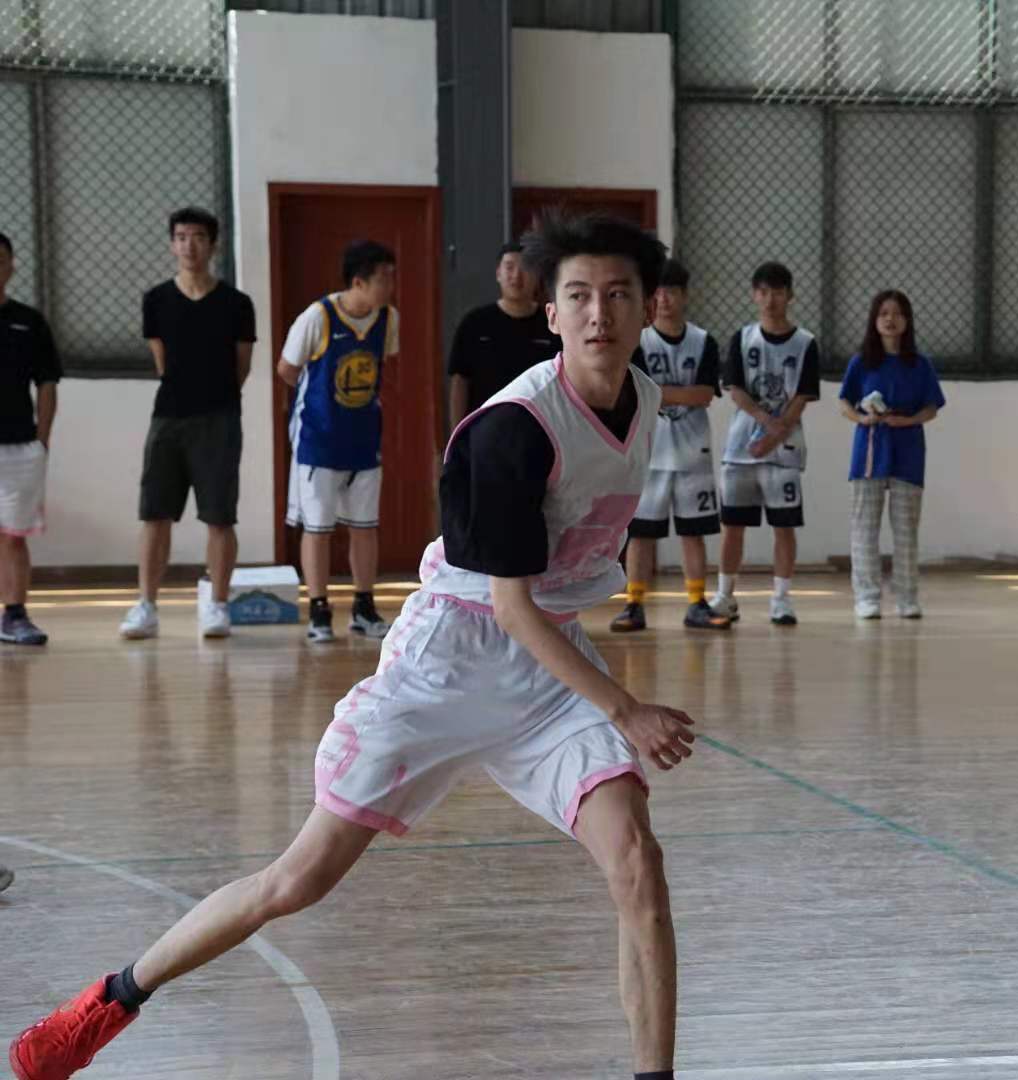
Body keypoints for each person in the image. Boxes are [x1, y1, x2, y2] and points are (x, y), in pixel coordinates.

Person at [8, 213, 696, 1080]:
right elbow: (510, 607)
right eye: (580, 296)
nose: (601, 313)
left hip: (547, 672)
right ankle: (109, 999)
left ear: (648, 307)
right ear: (551, 313)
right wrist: (626, 710)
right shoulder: (515, 429)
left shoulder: (645, 400)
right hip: (449, 664)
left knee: (637, 863)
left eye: (620, 295)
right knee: (295, 882)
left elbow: (549, 602)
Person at [120, 208, 256, 641]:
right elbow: (163, 362)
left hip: (219, 418)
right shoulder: (156, 300)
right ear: (172, 244)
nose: (189, 245)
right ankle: (146, 606)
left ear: (213, 244)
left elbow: (241, 367)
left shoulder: (236, 304)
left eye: (197, 237)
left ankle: (218, 605)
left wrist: (214, 396)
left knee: (219, 516)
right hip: (168, 418)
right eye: (180, 237)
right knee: (154, 514)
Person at [278, 240, 398, 643]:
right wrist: (317, 402)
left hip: (364, 439)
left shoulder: (388, 319)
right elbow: (286, 368)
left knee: (365, 526)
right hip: (318, 440)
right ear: (359, 282)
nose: (391, 286)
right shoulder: (318, 317)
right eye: (384, 278)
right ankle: (318, 609)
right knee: (318, 527)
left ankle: (364, 607)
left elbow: (382, 366)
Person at [612, 257, 731, 632]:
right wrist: (677, 393)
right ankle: (634, 604)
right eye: (659, 292)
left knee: (694, 532)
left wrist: (660, 392)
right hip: (649, 453)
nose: (664, 299)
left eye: (673, 292)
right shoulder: (639, 339)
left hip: (693, 453)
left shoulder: (703, 341)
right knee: (641, 534)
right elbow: (636, 391)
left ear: (685, 296)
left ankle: (697, 602)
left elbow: (704, 394)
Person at [713, 261, 820, 626]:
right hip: (741, 449)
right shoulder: (743, 339)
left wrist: (774, 436)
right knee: (732, 526)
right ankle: (725, 595)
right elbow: (736, 390)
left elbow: (802, 396)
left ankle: (782, 599)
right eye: (763, 291)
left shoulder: (805, 343)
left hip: (784, 451)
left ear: (790, 295)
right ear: (754, 295)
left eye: (777, 291)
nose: (770, 299)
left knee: (783, 526)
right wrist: (763, 422)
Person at [836, 289, 945, 619]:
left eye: (897, 313)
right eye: (883, 313)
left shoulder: (920, 364)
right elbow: (844, 402)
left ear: (907, 320)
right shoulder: (861, 362)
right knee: (864, 529)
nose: (890, 319)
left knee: (906, 530)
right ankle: (867, 597)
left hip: (908, 449)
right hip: (870, 450)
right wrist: (862, 419)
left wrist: (908, 420)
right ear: (874, 320)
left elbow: (931, 407)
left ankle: (907, 597)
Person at [0, 231, 60, 646]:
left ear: (11, 266)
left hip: (20, 446)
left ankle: (15, 615)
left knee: (13, 534)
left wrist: (42, 440)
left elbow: (48, 383)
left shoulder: (29, 321)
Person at [447, 241, 561, 428]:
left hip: (539, 428)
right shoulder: (475, 323)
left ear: (537, 276)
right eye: (509, 267)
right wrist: (457, 432)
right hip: (483, 428)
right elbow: (460, 382)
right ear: (498, 273)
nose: (516, 275)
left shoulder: (553, 324)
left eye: (525, 268)